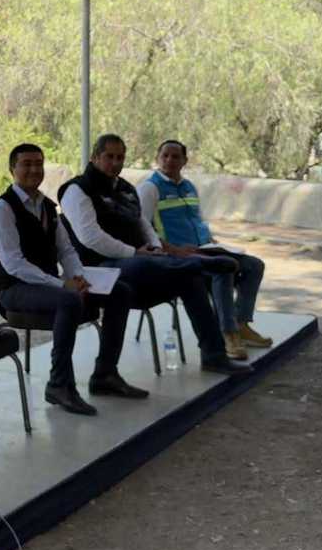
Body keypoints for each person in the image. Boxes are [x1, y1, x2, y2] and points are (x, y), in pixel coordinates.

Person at [58, 134, 251, 376]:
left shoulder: (125, 188)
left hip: (139, 262)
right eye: (109, 157)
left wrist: (154, 248)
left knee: (189, 279)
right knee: (157, 267)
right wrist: (134, 252)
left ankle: (214, 356)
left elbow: (142, 223)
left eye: (120, 157)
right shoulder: (77, 190)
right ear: (95, 157)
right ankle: (197, 263)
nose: (115, 162)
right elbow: (90, 237)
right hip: (98, 268)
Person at [0, 143, 147, 416]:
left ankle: (105, 374)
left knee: (119, 291)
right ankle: (59, 384)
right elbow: (13, 264)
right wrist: (63, 284)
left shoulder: (47, 206)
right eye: (26, 164)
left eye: (39, 163)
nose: (34, 169)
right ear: (12, 169)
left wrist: (78, 277)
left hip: (49, 284)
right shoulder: (2, 209)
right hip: (15, 290)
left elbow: (66, 250)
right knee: (69, 299)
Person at [137, 140, 271, 360]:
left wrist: (212, 241)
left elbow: (196, 219)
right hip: (175, 255)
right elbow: (142, 229)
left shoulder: (189, 186)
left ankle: (240, 324)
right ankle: (227, 334)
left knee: (254, 265)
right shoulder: (149, 188)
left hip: (203, 249)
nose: (170, 160)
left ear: (184, 161)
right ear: (157, 158)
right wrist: (174, 250)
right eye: (165, 156)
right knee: (223, 270)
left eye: (175, 157)